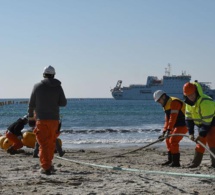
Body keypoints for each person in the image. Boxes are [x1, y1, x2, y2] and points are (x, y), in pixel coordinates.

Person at [28, 65, 67, 175]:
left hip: (41, 120)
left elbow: (31, 104)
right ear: (54, 75)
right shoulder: (58, 87)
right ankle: (48, 165)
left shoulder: (37, 86)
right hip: (54, 120)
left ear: (43, 74)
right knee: (50, 143)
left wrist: (31, 118)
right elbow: (63, 103)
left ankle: (45, 167)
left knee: (43, 144)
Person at [183, 81, 215, 168]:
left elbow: (207, 122)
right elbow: (188, 119)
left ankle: (214, 163)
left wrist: (201, 135)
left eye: (192, 94)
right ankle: (195, 163)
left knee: (212, 141)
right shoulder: (188, 103)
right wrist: (191, 133)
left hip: (212, 123)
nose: (191, 97)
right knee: (200, 143)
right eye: (188, 95)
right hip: (202, 124)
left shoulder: (206, 102)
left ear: (196, 92)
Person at [153, 90, 188, 167]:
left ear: (164, 97)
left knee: (173, 140)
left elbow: (173, 117)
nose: (159, 102)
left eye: (159, 100)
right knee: (168, 139)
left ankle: (176, 163)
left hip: (184, 124)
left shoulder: (174, 102)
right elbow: (167, 120)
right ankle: (170, 160)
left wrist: (169, 130)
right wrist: (164, 132)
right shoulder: (166, 105)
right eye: (157, 101)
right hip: (176, 125)